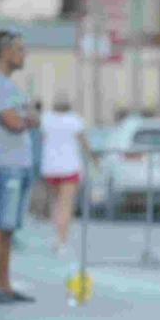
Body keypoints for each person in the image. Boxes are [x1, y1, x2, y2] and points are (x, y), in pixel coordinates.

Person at [0, 30, 39, 304]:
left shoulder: (12, 86)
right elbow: (14, 122)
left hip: (20, 164)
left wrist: (24, 116)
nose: (24, 55)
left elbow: (32, 114)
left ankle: (5, 286)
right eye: (20, 50)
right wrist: (25, 117)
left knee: (9, 228)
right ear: (4, 52)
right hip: (4, 165)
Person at [39, 96, 94, 255]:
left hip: (50, 167)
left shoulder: (46, 120)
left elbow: (42, 140)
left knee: (55, 203)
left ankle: (57, 235)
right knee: (66, 205)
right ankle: (62, 240)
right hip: (69, 167)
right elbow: (84, 143)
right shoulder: (74, 120)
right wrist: (94, 160)